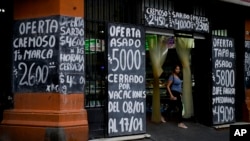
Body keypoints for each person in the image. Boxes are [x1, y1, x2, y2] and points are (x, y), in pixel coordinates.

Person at [164, 64, 188, 129]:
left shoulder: (178, 76)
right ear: (174, 69)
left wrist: (181, 93)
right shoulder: (172, 76)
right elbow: (168, 86)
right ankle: (180, 123)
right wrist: (171, 95)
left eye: (179, 69)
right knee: (180, 107)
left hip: (178, 93)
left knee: (172, 106)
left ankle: (162, 116)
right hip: (174, 93)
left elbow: (178, 86)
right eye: (177, 69)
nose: (178, 70)